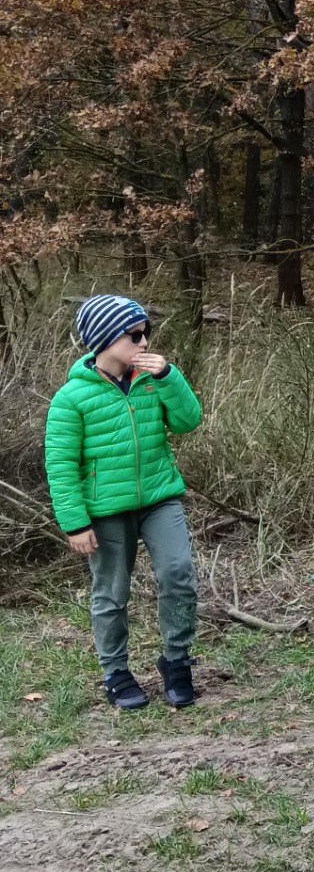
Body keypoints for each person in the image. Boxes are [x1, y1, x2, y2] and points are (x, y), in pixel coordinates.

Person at [46, 294, 205, 711]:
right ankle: (115, 672)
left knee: (178, 574)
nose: (144, 342)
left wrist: (169, 376)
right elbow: (61, 465)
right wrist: (75, 523)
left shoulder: (153, 380)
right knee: (112, 592)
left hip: (159, 498)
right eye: (133, 335)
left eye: (145, 333)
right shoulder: (71, 398)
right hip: (105, 510)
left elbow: (188, 421)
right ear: (104, 338)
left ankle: (176, 661)